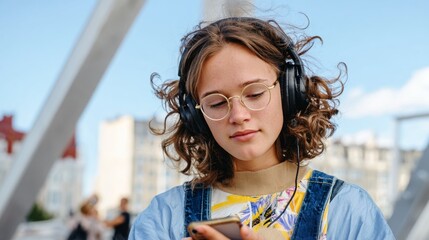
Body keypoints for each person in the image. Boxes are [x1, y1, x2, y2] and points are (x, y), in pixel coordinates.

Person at [129, 17, 395, 239]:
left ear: (290, 91)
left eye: (255, 94)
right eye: (217, 103)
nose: (238, 115)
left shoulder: (347, 209)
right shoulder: (163, 218)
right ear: (195, 115)